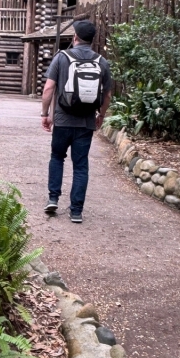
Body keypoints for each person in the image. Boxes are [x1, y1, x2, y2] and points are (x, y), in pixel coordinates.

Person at [40, 20, 111, 223]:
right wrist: (101, 115)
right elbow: (107, 96)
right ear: (91, 40)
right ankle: (76, 211)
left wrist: (45, 114)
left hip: (62, 121)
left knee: (57, 157)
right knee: (80, 166)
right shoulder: (101, 62)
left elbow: (48, 89)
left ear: (75, 38)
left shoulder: (62, 58)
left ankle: (53, 198)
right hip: (85, 123)